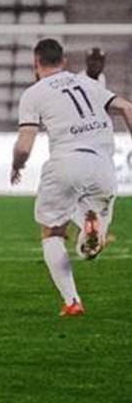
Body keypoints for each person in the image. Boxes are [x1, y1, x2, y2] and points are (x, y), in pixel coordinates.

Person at [11, 38, 132, 317]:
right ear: (63, 62)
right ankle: (91, 226)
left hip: (65, 162)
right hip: (102, 165)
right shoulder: (90, 84)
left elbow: (25, 143)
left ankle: (72, 301)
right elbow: (127, 107)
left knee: (52, 232)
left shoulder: (33, 93)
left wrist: (17, 165)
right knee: (91, 249)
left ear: (36, 63)